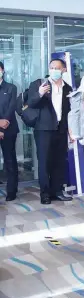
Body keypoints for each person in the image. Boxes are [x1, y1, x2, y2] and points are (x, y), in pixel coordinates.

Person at [27, 58, 73, 205]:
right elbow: (31, 103)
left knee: (59, 161)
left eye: (57, 68)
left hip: (61, 129)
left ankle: (57, 191)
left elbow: (69, 112)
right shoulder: (39, 84)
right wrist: (39, 93)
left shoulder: (68, 88)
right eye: (51, 67)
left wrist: (70, 131)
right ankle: (45, 194)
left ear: (64, 70)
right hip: (43, 129)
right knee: (44, 162)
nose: (54, 70)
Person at [0, 62, 19, 201]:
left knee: (10, 160)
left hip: (9, 128)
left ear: (3, 70)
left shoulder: (11, 87)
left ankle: (12, 191)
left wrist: (3, 124)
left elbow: (11, 107)